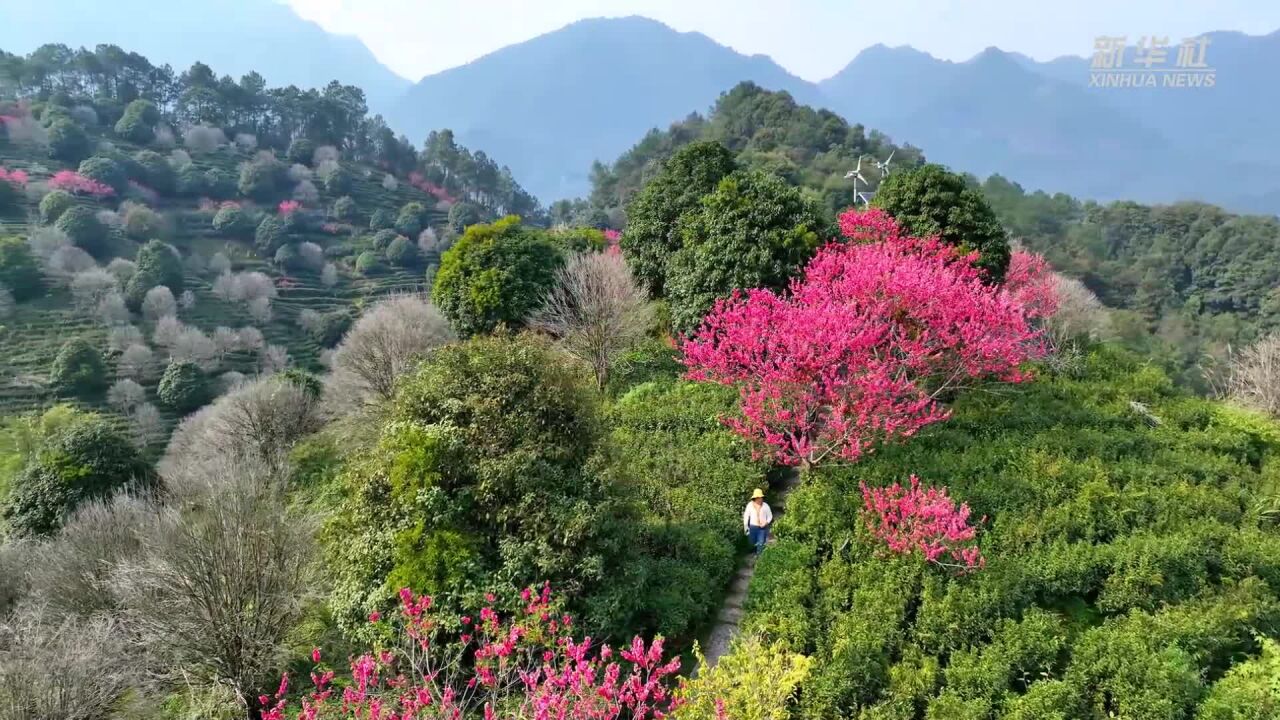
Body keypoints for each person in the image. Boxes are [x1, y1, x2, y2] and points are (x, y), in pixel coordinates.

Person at [742, 488, 773, 555]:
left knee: (761, 543)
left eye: (761, 497)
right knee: (752, 542)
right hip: (753, 527)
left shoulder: (765, 506)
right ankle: (751, 554)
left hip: (762, 528)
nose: (760, 499)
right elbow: (746, 516)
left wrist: (766, 523)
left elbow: (770, 516)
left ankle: (759, 557)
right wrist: (745, 526)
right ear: (755, 498)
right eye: (758, 498)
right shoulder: (750, 505)